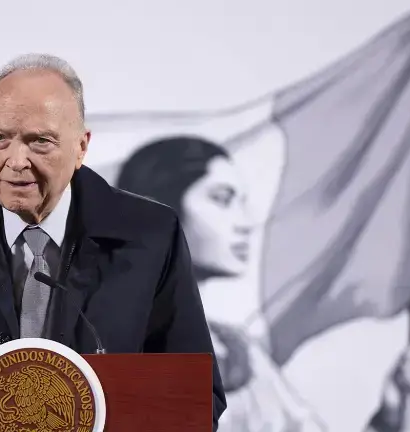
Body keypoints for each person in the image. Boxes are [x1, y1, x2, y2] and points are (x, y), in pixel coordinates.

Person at [0, 53, 226, 427]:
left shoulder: (149, 235)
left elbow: (197, 397)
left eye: (39, 141)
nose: (15, 161)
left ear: (81, 147)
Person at [116, 136, 325, 431]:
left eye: (241, 202)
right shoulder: (101, 343)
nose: (246, 223)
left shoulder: (237, 350)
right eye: (222, 199)